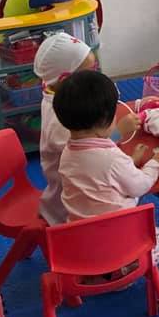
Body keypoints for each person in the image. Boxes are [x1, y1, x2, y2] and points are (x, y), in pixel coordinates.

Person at [52, 71, 159, 265]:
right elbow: (140, 186)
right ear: (105, 119)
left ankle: (104, 269)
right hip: (118, 244)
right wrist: (156, 164)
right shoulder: (111, 158)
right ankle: (126, 268)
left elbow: (100, 175)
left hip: (83, 243)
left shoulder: (68, 153)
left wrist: (130, 161)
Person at [34, 32, 109, 225]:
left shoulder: (58, 95)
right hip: (71, 212)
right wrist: (119, 131)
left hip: (74, 192)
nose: (95, 75)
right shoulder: (60, 121)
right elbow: (93, 154)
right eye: (90, 71)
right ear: (67, 80)